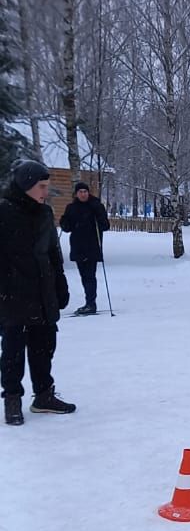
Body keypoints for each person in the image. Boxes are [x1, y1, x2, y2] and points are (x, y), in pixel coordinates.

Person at [0, 159, 75, 425]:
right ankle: (12, 399)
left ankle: (43, 395)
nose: (46, 192)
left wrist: (60, 284)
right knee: (14, 351)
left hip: (43, 293)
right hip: (13, 296)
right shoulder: (4, 212)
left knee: (45, 347)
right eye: (42, 186)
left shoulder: (44, 213)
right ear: (26, 185)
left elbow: (53, 252)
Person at [59, 180, 110, 314]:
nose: (83, 194)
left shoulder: (95, 205)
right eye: (80, 192)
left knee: (89, 276)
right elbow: (67, 228)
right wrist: (63, 221)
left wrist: (98, 213)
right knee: (84, 276)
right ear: (76, 194)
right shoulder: (71, 207)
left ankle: (91, 303)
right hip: (78, 246)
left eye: (85, 191)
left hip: (92, 246)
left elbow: (105, 225)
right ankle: (89, 302)